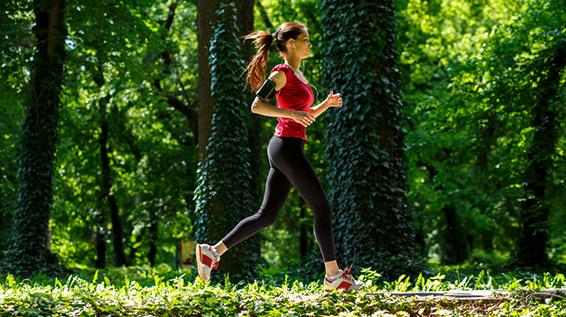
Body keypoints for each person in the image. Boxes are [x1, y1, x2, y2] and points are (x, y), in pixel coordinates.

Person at [195, 22, 364, 292]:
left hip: (288, 146)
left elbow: (303, 116)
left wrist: (325, 106)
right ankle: (333, 276)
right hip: (285, 147)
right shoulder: (281, 73)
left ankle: (212, 251)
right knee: (322, 207)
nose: (309, 44)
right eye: (306, 39)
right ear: (292, 43)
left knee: (267, 215)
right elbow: (257, 106)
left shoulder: (298, 75)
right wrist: (293, 114)